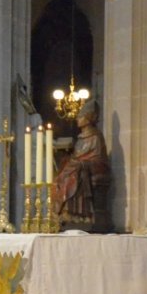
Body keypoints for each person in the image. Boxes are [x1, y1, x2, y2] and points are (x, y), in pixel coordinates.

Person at [52, 99, 113, 231]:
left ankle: (78, 215)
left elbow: (98, 159)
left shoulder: (96, 136)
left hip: (90, 168)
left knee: (73, 174)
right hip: (78, 166)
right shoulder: (80, 138)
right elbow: (77, 156)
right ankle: (63, 214)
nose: (77, 119)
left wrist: (81, 163)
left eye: (81, 116)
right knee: (60, 176)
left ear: (88, 118)